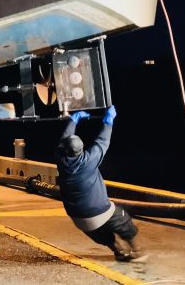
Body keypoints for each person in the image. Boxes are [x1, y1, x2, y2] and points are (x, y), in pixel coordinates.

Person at [56, 105, 147, 262]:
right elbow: (103, 140)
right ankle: (137, 251)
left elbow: (64, 139)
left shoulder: (60, 159)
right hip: (99, 211)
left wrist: (73, 121)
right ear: (81, 150)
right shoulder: (88, 160)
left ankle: (119, 251)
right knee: (123, 222)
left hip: (78, 219)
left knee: (101, 234)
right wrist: (108, 120)